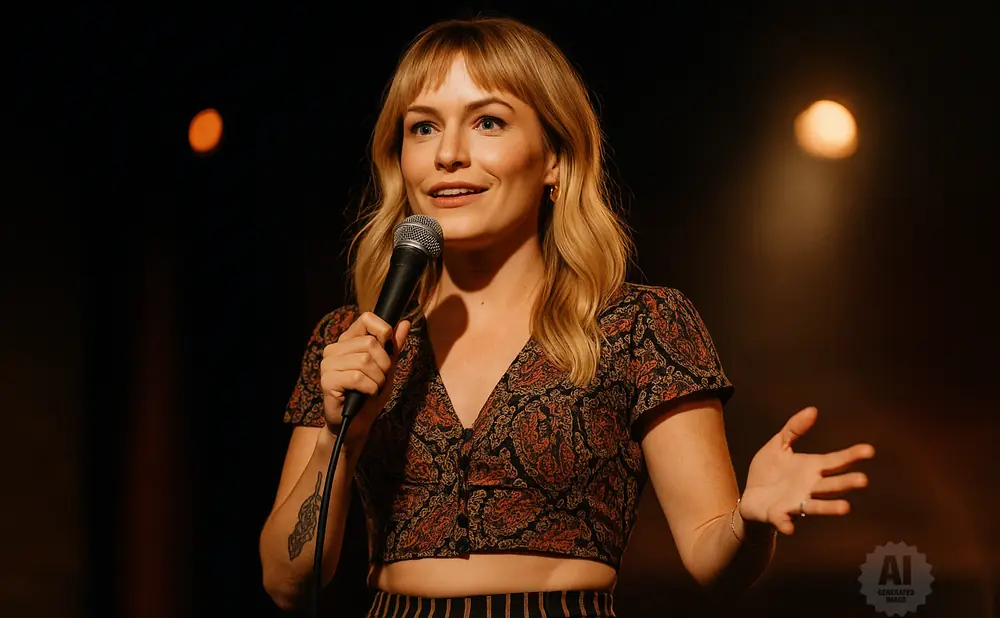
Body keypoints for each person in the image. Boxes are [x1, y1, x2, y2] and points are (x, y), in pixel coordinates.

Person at [258, 15, 876, 617]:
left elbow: (714, 561)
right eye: (422, 128)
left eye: (488, 122)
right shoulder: (352, 341)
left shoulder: (638, 327)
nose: (448, 153)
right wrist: (345, 435)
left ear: (554, 158)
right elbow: (287, 584)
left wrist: (750, 520)